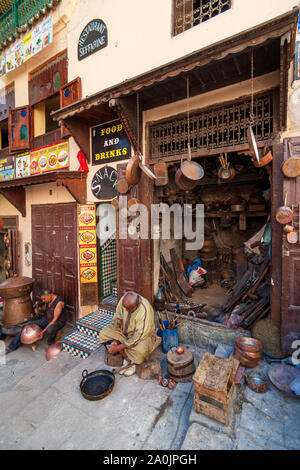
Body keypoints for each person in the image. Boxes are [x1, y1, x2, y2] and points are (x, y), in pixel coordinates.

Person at [99, 291, 161, 376]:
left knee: (141, 350)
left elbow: (139, 336)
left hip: (142, 337)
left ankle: (132, 362)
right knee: (103, 334)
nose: (126, 310)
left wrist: (118, 348)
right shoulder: (124, 300)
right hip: (124, 332)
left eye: (128, 309)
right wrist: (114, 341)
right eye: (125, 308)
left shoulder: (145, 310)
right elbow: (118, 316)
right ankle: (126, 354)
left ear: (136, 306)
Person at [5, 288, 67, 353]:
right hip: (47, 319)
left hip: (58, 321)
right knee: (28, 325)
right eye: (42, 299)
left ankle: (50, 342)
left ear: (49, 295)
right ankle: (12, 346)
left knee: (50, 329)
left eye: (44, 299)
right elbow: (46, 309)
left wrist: (43, 332)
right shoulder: (48, 300)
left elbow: (54, 320)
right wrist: (38, 308)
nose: (43, 300)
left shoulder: (59, 303)